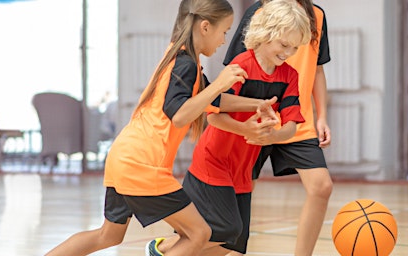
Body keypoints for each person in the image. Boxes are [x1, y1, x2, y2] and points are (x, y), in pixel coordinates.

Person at [45, 0, 279, 255]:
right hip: (142, 165)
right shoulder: (185, 64)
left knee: (108, 235)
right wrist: (220, 84)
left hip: (124, 158)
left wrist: (258, 105)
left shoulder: (183, 59)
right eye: (224, 31)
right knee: (199, 233)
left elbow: (214, 101)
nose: (224, 40)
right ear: (204, 27)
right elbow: (178, 115)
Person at [146, 0, 311, 255]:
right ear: (265, 34)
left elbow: (291, 126)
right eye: (283, 45)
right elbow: (213, 116)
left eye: (294, 48)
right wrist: (247, 130)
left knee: (233, 242)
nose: (288, 53)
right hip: (214, 161)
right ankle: (163, 248)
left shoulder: (289, 76)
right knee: (226, 229)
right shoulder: (240, 67)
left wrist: (273, 135)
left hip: (243, 168)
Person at [223, 0, 333, 256]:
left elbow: (317, 69)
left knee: (321, 187)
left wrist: (322, 116)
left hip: (296, 121)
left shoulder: (317, 15)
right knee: (241, 195)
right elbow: (237, 67)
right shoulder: (259, 11)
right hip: (255, 120)